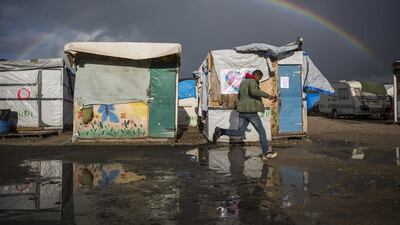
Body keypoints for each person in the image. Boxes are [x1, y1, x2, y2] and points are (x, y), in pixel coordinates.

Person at [213, 70, 277, 160]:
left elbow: (239, 96)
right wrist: (268, 95)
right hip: (251, 111)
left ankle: (221, 131)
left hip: (242, 111)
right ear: (257, 76)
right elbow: (254, 92)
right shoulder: (252, 81)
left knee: (240, 132)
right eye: (260, 78)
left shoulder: (243, 82)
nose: (259, 80)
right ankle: (266, 153)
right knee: (262, 132)